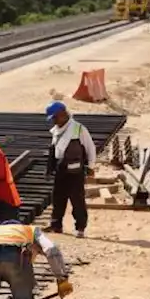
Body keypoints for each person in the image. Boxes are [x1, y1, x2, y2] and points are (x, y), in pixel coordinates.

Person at [45, 101, 97, 238]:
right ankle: (56, 225)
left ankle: (80, 227)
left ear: (63, 114)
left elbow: (90, 148)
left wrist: (91, 166)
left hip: (75, 172)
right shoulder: (56, 130)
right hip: (60, 169)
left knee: (77, 199)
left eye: (55, 118)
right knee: (58, 198)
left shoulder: (79, 129)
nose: (54, 121)